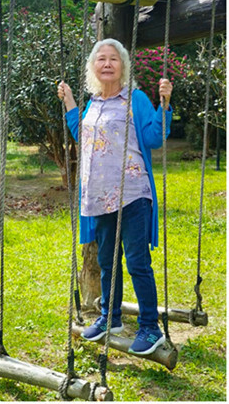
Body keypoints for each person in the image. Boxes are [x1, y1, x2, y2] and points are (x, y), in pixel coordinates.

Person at [57, 38, 172, 355]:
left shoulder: (134, 99)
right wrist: (69, 103)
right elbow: (84, 136)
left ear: (123, 66)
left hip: (133, 195)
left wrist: (164, 106)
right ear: (93, 67)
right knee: (108, 262)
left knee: (137, 262)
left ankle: (150, 327)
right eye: (101, 59)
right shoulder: (93, 103)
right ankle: (111, 318)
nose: (107, 63)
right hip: (100, 198)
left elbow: (153, 137)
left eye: (113, 59)